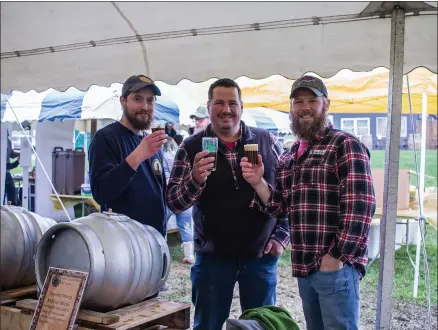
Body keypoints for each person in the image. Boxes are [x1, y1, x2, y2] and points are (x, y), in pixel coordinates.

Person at [240, 75, 376, 330]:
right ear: (291, 108)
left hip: (335, 266)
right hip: (304, 266)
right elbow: (279, 206)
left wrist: (336, 256)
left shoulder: (344, 145)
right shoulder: (290, 155)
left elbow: (361, 206)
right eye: (298, 101)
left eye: (312, 100)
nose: (304, 107)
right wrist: (258, 182)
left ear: (326, 104)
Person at [167, 78, 290, 330]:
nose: (226, 109)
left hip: (260, 254)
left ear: (241, 107)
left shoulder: (267, 140)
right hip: (213, 256)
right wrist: (195, 180)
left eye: (232, 103)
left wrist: (282, 236)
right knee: (208, 325)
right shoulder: (191, 147)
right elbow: (174, 203)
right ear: (209, 107)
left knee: (262, 325)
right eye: (219, 103)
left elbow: (288, 195)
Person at [88, 74, 168, 237]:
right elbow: (101, 193)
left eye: (150, 100)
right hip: (123, 245)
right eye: (138, 99)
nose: (145, 106)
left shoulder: (151, 142)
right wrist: (138, 155)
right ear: (123, 101)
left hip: (155, 242)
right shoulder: (105, 138)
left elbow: (160, 193)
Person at [162, 136, 195, 264]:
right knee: (186, 226)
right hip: (184, 196)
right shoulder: (182, 155)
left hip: (168, 196)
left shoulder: (162, 156)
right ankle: (189, 255)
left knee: (162, 225)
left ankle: (162, 254)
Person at [4, 131, 20, 205]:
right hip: (3, 172)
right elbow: (4, 165)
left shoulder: (7, 141)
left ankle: (12, 210)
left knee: (12, 194)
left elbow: (11, 154)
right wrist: (16, 163)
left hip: (7, 174)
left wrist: (20, 153)